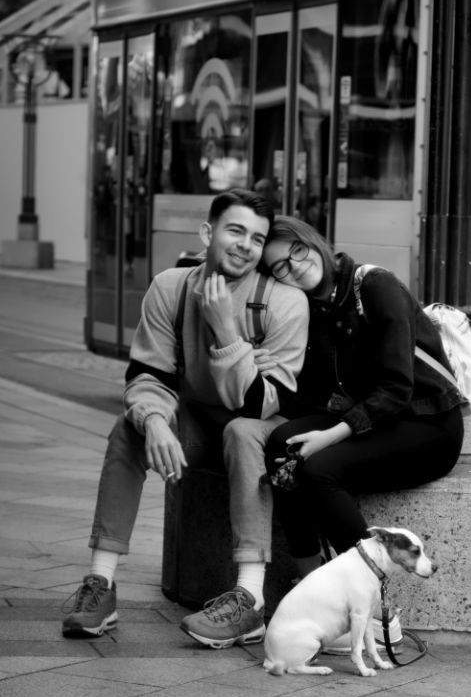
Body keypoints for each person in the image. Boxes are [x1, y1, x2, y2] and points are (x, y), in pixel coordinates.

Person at [62, 188, 309, 648]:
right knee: (128, 427)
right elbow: (145, 375)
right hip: (196, 425)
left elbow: (259, 404)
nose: (245, 246)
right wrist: (155, 421)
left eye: (256, 239)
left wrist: (227, 329)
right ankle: (100, 584)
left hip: (258, 431)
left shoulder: (285, 302)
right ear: (207, 233)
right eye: (235, 231)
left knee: (240, 429)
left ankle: (249, 599)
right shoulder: (171, 288)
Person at [253, 216, 463, 578]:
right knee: (280, 446)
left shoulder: (374, 286)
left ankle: (372, 596)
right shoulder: (309, 310)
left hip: (427, 424)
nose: (297, 267)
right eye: (281, 267)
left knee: (318, 469)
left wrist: (329, 437)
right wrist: (270, 367)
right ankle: (311, 578)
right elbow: (314, 397)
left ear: (312, 240)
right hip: (373, 423)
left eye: (298, 251)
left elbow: (397, 388)